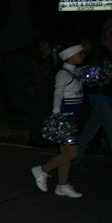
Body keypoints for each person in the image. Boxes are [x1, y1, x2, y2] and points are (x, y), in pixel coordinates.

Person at [31, 43, 85, 198]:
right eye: (80, 54)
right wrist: (56, 113)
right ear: (71, 57)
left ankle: (62, 185)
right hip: (65, 118)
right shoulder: (63, 74)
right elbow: (58, 93)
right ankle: (42, 170)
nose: (83, 56)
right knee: (73, 152)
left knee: (65, 152)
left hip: (73, 117)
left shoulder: (76, 72)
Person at [72, 24, 112, 168]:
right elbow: (91, 74)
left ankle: (75, 158)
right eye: (107, 30)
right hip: (99, 95)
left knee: (90, 130)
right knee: (110, 129)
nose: (110, 33)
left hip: (106, 95)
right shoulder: (99, 50)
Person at [24, 37, 57, 147]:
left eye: (44, 43)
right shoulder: (36, 59)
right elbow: (29, 74)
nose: (40, 45)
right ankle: (35, 137)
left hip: (48, 94)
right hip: (35, 93)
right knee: (35, 117)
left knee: (46, 117)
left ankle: (47, 138)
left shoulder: (54, 60)